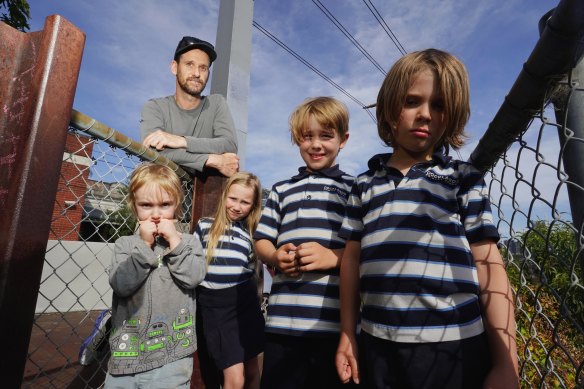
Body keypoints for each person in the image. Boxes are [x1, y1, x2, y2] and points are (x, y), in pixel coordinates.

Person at [335, 49, 519, 389]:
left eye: (439, 105)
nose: (425, 115)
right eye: (411, 101)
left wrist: (507, 361)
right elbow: (351, 259)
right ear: (389, 111)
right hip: (378, 345)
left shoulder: (462, 179)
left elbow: (488, 264)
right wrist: (348, 333)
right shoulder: (364, 184)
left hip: (454, 348)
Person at [253, 96, 355, 389]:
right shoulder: (282, 190)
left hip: (334, 327)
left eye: (326, 135)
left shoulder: (353, 189)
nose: (316, 144)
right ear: (298, 140)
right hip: (283, 324)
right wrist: (274, 257)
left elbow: (359, 248)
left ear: (343, 139)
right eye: (307, 136)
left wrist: (333, 258)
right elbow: (262, 239)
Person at [104, 163, 206, 388]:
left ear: (177, 205)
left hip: (172, 356)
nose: (157, 214)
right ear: (134, 206)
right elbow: (121, 284)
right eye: (146, 205)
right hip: (126, 356)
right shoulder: (126, 245)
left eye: (165, 204)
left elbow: (193, 277)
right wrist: (144, 246)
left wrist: (175, 243)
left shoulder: (188, 243)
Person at [194, 172, 265, 389]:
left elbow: (253, 270)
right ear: (224, 196)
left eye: (245, 202)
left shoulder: (250, 235)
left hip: (245, 305)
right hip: (217, 308)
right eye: (233, 199)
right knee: (235, 378)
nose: (236, 206)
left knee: (253, 371)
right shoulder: (205, 226)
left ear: (253, 206)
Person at [141, 36, 239, 177]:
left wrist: (181, 141)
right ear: (175, 67)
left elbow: (229, 144)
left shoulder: (216, 103)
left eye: (203, 68)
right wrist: (210, 159)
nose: (197, 73)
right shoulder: (155, 107)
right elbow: (152, 151)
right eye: (189, 64)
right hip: (163, 194)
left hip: (205, 196)